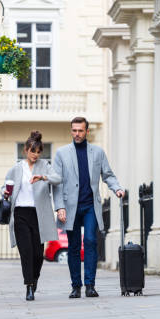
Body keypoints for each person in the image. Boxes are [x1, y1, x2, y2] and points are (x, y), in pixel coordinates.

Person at [53, 117, 124, 298]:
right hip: (70, 207)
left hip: (90, 205)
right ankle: (76, 286)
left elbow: (107, 174)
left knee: (91, 241)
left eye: (80, 131)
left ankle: (90, 285)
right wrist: (59, 207)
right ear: (71, 131)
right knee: (74, 246)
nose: (77, 134)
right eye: (74, 130)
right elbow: (57, 183)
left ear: (87, 132)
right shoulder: (62, 153)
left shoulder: (98, 153)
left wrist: (117, 188)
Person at [3, 131, 61, 301]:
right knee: (26, 252)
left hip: (39, 214)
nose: (35, 155)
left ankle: (34, 279)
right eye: (32, 151)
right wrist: (5, 193)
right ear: (25, 150)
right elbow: (4, 189)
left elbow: (58, 178)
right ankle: (28, 286)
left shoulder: (45, 165)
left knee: (37, 254)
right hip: (20, 213)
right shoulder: (16, 169)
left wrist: (43, 177)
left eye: (38, 152)